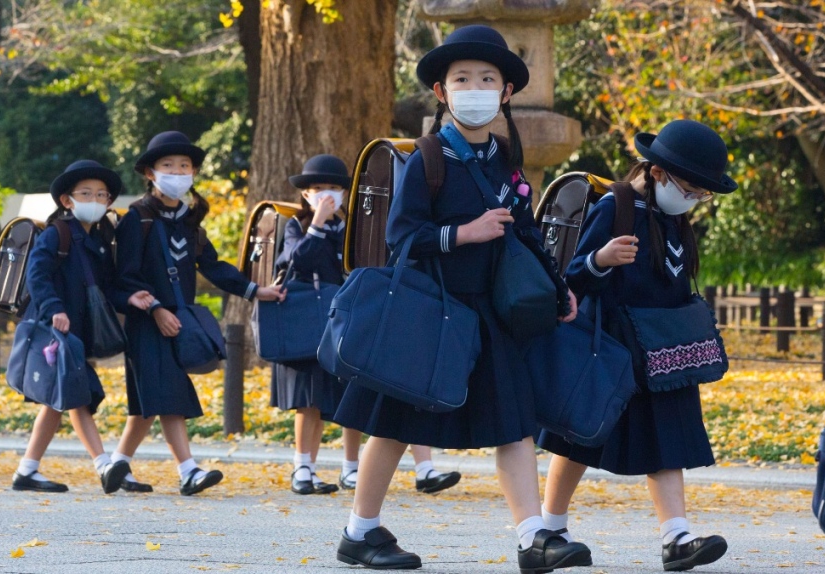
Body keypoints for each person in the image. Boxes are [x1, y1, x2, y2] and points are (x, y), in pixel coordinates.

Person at [331, 25, 590, 572]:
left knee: (514, 424)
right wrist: (462, 234)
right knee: (395, 422)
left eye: (488, 78)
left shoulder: (504, 159)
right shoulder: (426, 156)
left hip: (491, 313)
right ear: (442, 92)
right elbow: (402, 237)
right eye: (463, 78)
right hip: (432, 312)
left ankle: (532, 539)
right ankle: (360, 531)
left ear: (506, 92)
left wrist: (559, 287)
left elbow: (523, 231)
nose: (476, 87)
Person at [536, 119, 736, 571]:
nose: (695, 199)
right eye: (691, 188)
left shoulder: (675, 218)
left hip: (665, 351)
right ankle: (550, 526)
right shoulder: (614, 206)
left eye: (703, 194)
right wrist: (601, 260)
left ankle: (676, 537)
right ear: (659, 172)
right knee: (580, 436)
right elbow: (570, 278)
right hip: (613, 346)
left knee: (667, 440)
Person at [275, 155, 461, 496]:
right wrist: (317, 222)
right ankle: (304, 468)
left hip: (352, 316)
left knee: (360, 388)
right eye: (318, 189)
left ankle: (373, 467)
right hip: (311, 320)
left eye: (334, 188)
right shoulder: (296, 226)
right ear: (305, 195)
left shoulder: (353, 226)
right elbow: (297, 261)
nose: (327, 195)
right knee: (309, 399)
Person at [111, 131, 284, 495]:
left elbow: (213, 266)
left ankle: (117, 464)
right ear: (150, 173)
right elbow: (124, 277)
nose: (178, 172)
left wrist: (255, 290)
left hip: (178, 319)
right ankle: (188, 471)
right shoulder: (136, 219)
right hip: (147, 322)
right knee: (170, 393)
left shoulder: (190, 223)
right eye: (168, 166)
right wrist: (155, 308)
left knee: (151, 400)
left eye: (185, 166)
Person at [11, 160, 153, 494]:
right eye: (86, 193)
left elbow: (105, 288)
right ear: (67, 200)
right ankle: (104, 465)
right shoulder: (56, 234)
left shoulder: (101, 240)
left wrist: (129, 298)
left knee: (59, 399)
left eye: (102, 195)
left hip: (77, 332)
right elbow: (37, 275)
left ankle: (26, 470)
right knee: (78, 394)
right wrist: (54, 309)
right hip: (55, 329)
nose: (95, 199)